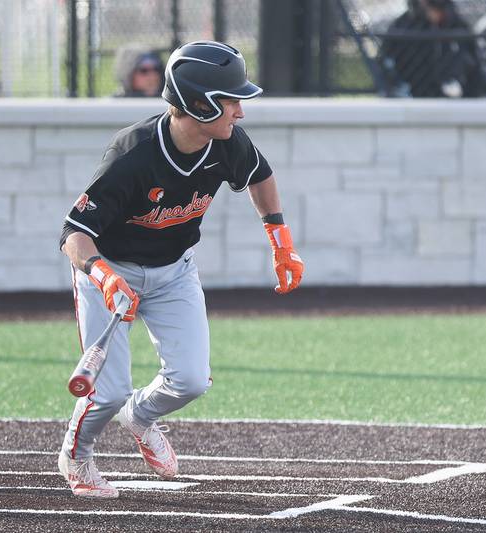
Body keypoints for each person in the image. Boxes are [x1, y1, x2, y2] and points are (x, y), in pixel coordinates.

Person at [57, 40, 304, 498]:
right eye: (231, 101)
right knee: (106, 393)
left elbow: (260, 176)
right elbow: (74, 235)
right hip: (109, 275)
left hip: (174, 271)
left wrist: (280, 242)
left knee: (190, 379)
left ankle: (142, 417)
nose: (240, 112)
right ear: (199, 103)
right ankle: (77, 455)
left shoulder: (226, 143)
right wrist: (104, 276)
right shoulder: (132, 154)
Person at [378, 0, 478, 98]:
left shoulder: (456, 25)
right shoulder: (402, 26)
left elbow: (471, 58)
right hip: (415, 90)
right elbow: (385, 60)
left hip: (453, 91)